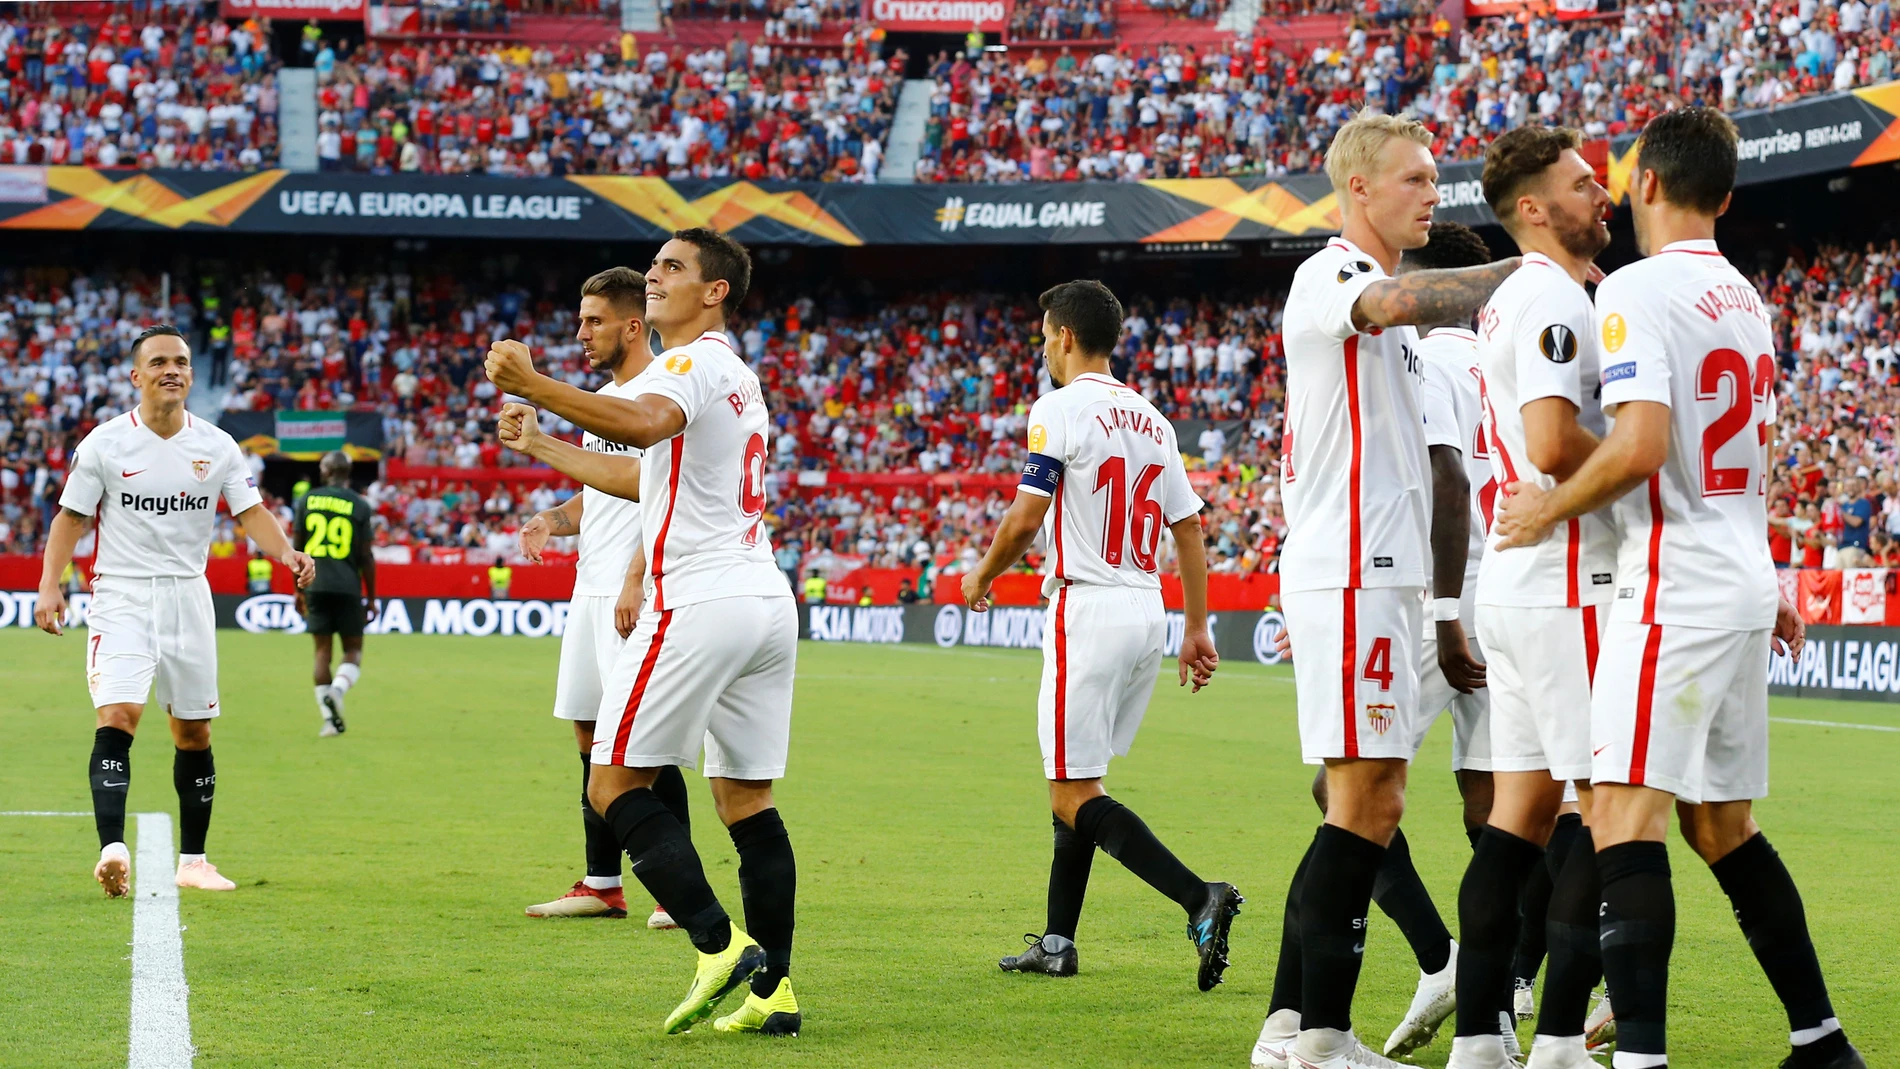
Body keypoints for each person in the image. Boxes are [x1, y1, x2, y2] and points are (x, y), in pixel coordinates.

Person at [1495, 106, 1867, 1069]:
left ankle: (1642, 1060)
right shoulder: (1745, 296)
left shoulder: (1635, 290)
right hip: (1740, 576)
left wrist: (1548, 508)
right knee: (1721, 823)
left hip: (1674, 583)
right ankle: (1820, 1041)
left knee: (1620, 816)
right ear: (1728, 195)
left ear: (1644, 183)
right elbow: (1753, 451)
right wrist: (1773, 568)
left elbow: (1644, 445)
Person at [487, 228, 803, 1037]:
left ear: (716, 290)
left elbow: (641, 426)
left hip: (697, 598)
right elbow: (640, 474)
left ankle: (716, 943)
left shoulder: (688, 363)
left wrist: (536, 383)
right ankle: (775, 995)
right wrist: (545, 443)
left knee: (612, 781)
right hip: (763, 597)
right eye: (655, 266)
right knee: (746, 799)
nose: (655, 276)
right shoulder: (736, 374)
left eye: (673, 267)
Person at [1253, 112, 1518, 1069]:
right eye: (1415, 179)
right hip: (1351, 569)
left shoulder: (1391, 308)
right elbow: (1397, 307)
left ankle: (1302, 1028)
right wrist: (1524, 271)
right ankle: (1314, 1036)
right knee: (1361, 799)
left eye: (1434, 179)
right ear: (1359, 187)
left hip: (1381, 573)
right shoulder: (1333, 275)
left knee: (1372, 797)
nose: (1431, 194)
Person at [960, 280, 1236, 990]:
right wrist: (1197, 627)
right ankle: (1057, 941)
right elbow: (1189, 527)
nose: (1043, 347)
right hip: (1148, 606)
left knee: (1072, 791)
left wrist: (981, 573)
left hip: (1087, 606)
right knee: (1078, 779)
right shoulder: (1152, 418)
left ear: (1062, 335)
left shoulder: (1057, 407)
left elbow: (1026, 518)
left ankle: (1196, 895)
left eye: (1043, 335)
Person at [34, 325, 316, 897]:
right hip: (122, 593)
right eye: (159, 361)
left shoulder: (215, 446)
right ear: (136, 376)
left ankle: (194, 861)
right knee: (119, 716)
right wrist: (49, 585)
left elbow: (250, 512)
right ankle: (112, 847)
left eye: (181, 362)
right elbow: (70, 519)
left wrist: (285, 550)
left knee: (193, 729)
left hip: (189, 594)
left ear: (191, 373)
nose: (172, 370)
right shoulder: (105, 444)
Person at [1450, 124, 1616, 1069]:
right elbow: (1554, 443)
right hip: (1567, 578)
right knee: (1603, 810)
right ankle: (1556, 1038)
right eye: (1581, 182)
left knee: (1517, 820)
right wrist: (1651, 471)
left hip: (1515, 584)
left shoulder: (1513, 300)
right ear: (1532, 208)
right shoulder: (1552, 297)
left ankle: (1480, 1040)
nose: (1602, 194)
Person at [506, 267, 692, 926]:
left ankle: (675, 888)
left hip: (631, 588)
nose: (580, 332)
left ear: (632, 324)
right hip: (590, 587)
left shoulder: (661, 395)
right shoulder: (603, 399)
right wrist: (550, 520)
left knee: (642, 740)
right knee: (590, 729)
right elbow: (606, 487)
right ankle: (602, 882)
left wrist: (637, 576)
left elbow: (668, 493)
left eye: (593, 321)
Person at [294, 451, 376, 738]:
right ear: (347, 472)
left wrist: (298, 589)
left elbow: (298, 548)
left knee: (321, 653)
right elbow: (366, 555)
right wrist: (372, 597)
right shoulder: (360, 504)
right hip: (348, 586)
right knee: (353, 650)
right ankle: (338, 691)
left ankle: (329, 720)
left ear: (327, 470)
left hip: (314, 584)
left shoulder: (307, 500)